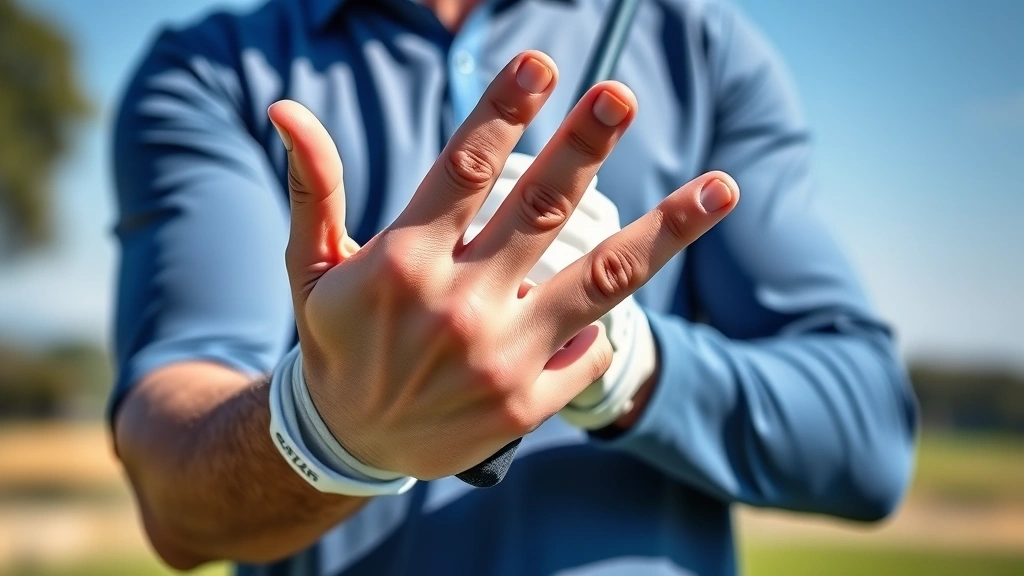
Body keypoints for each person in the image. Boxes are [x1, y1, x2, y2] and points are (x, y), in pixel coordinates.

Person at [109, 0, 919, 574]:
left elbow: (867, 438)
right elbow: (175, 483)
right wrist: (333, 427)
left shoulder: (704, 46)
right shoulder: (211, 72)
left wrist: (617, 358)